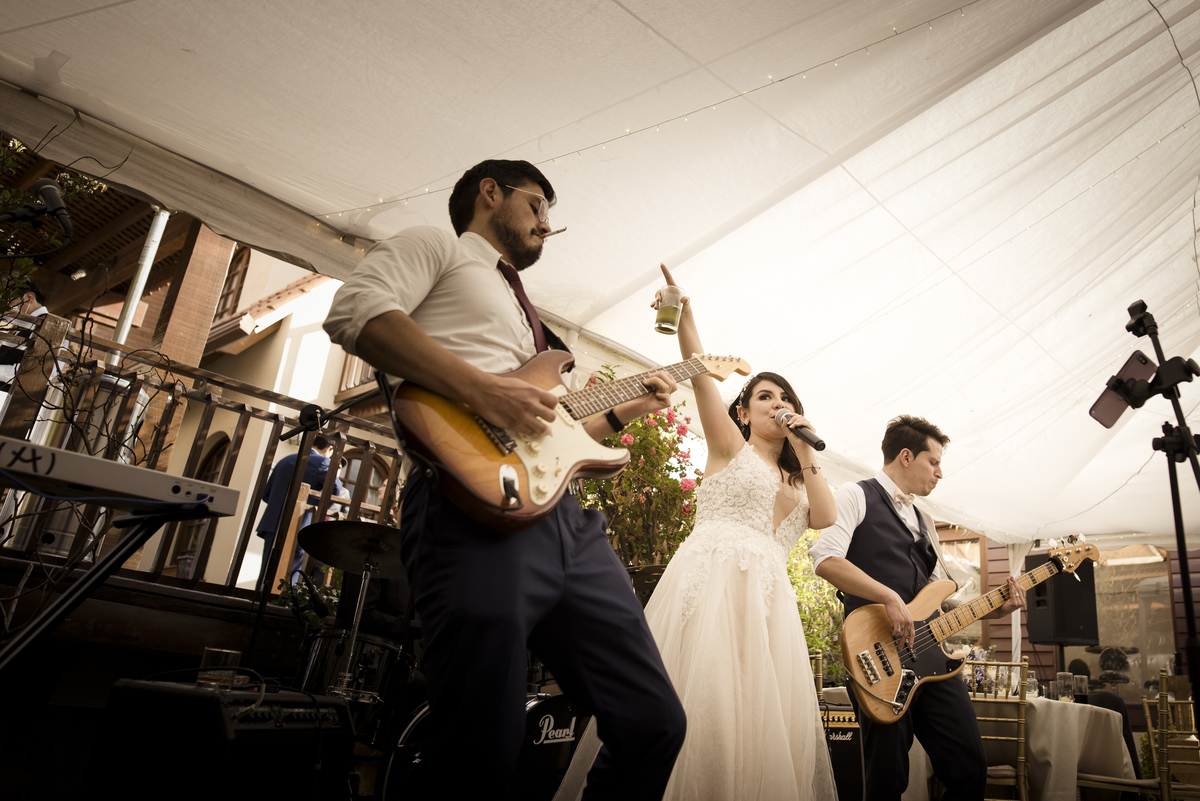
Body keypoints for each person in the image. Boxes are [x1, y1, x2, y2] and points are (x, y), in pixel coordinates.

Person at [322, 159, 685, 799]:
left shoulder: (528, 318)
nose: (547, 223)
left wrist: (629, 409)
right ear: (490, 192)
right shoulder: (436, 246)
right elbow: (355, 311)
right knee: (479, 749)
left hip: (568, 522)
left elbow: (551, 433)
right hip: (468, 510)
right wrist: (484, 391)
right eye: (538, 205)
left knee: (653, 723)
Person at [631, 265, 840, 799]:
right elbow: (701, 373)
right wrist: (685, 313)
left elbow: (825, 518)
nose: (778, 405)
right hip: (712, 584)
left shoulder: (802, 478)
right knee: (705, 702)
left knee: (756, 718)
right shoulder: (729, 447)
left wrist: (806, 449)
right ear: (743, 412)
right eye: (766, 397)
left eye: (786, 400)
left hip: (767, 604)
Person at [811, 415, 1027, 801]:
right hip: (878, 660)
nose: (940, 473)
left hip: (933, 662)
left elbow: (934, 599)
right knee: (887, 781)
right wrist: (888, 597)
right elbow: (825, 558)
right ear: (906, 456)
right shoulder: (854, 495)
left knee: (970, 769)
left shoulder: (925, 519)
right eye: (934, 462)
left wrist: (993, 609)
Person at [255, 433, 344, 588]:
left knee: (267, 569)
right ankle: (281, 601)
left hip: (272, 523)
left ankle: (258, 598)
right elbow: (335, 492)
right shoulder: (323, 462)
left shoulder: (286, 460)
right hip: (299, 523)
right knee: (291, 572)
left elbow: (266, 494)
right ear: (329, 449)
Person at [0, 279, 49, 393]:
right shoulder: (22, 326)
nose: (8, 307)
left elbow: (33, 372)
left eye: (9, 302)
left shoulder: (49, 327)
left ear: (29, 297)